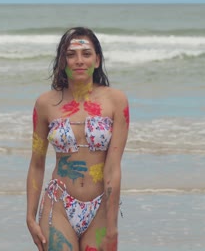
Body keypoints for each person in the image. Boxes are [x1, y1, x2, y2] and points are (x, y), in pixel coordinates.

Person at [26, 26, 130, 251]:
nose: (79, 60)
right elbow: (36, 164)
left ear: (97, 60)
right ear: (63, 62)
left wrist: (112, 227)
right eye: (71, 55)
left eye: (86, 54)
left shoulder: (116, 101)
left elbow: (113, 169)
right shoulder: (45, 104)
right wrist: (30, 217)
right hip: (59, 204)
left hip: (100, 207)